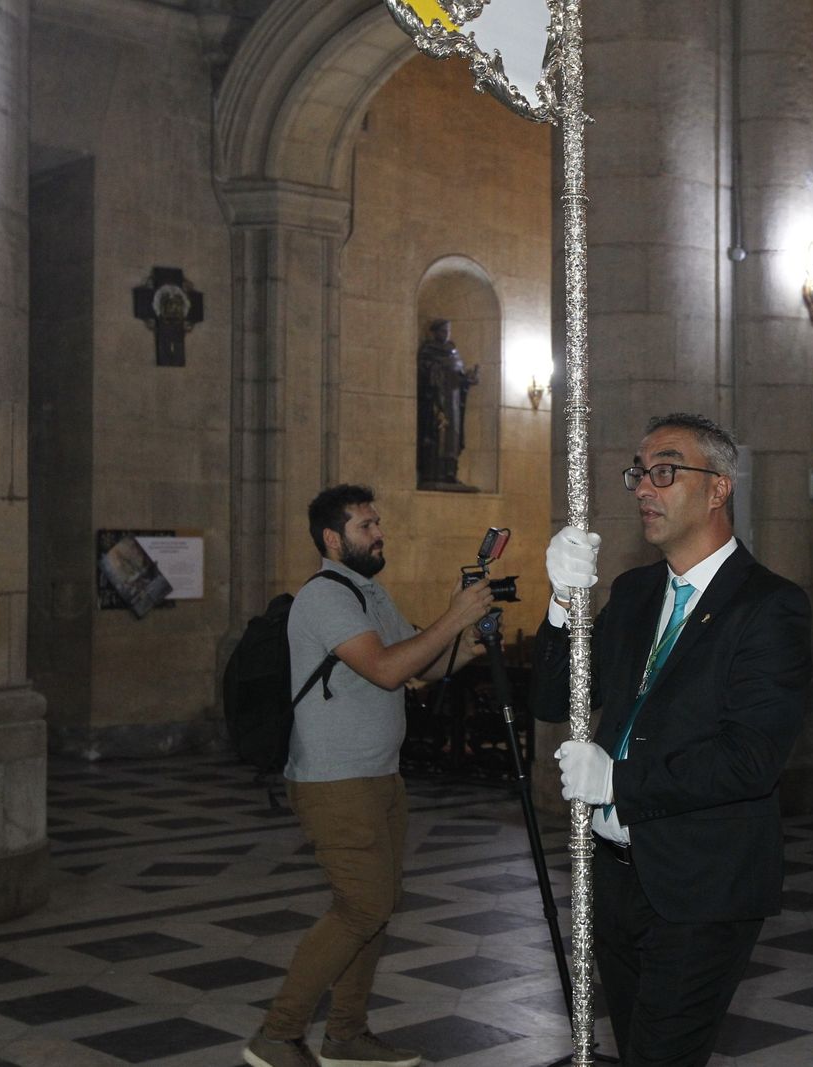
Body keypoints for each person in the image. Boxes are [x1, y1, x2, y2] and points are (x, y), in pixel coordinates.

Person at [530, 413, 811, 1066]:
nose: (643, 489)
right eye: (638, 473)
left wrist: (619, 781)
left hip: (702, 883)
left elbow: (751, 759)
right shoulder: (633, 592)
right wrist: (560, 604)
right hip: (616, 877)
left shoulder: (769, 606)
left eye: (665, 471)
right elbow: (553, 698)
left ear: (718, 487)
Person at [244, 485, 495, 1067]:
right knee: (361, 905)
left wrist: (469, 644)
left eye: (378, 522)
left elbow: (419, 668)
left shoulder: (370, 594)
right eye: (365, 525)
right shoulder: (324, 598)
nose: (379, 532)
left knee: (379, 904)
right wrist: (452, 614)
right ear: (333, 539)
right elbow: (384, 669)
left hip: (380, 775)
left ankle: (346, 1036)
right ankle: (277, 1035)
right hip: (335, 780)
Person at [415, 318, 480, 487]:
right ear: (435, 332)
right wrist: (439, 369)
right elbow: (424, 371)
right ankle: (433, 472)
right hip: (437, 399)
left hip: (454, 400)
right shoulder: (428, 350)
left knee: (453, 436)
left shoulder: (454, 352)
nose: (446, 334)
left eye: (448, 331)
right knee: (437, 434)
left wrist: (468, 379)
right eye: (443, 331)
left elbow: (459, 377)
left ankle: (450, 472)